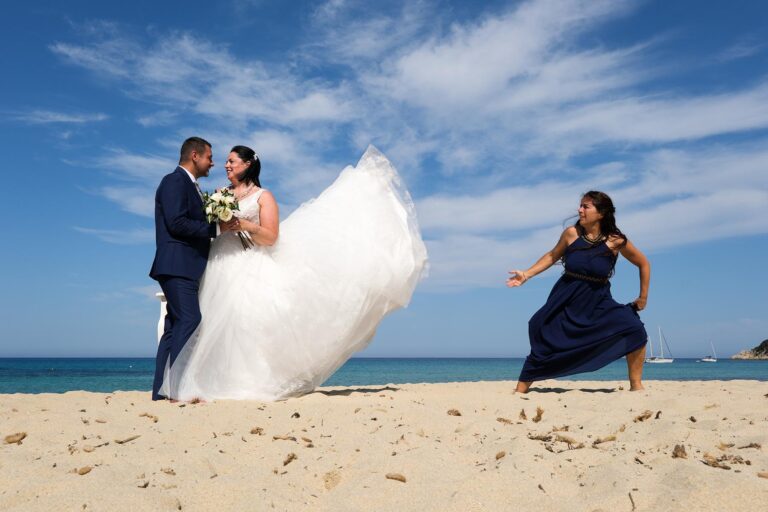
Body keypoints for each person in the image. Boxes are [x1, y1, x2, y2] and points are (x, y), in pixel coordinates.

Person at [160, 145, 427, 401]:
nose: (226, 165)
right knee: (209, 322)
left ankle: (244, 381)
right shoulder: (221, 193)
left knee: (244, 320)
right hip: (217, 262)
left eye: (232, 161)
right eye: (226, 161)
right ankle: (196, 382)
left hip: (245, 263)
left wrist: (244, 225)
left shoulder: (264, 197)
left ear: (248, 164)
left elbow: (271, 236)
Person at [506, 191, 649, 392]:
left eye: (586, 206)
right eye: (580, 205)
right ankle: (521, 389)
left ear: (601, 213)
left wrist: (643, 297)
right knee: (542, 330)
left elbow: (643, 264)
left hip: (598, 300)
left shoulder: (616, 240)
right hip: (567, 295)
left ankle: (636, 386)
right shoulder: (571, 234)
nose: (580, 210)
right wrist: (527, 274)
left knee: (634, 329)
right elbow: (552, 256)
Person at [149, 137, 236, 401]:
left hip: (181, 265)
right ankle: (176, 389)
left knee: (174, 325)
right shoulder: (174, 181)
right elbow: (176, 223)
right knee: (190, 319)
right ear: (195, 155)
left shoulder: (191, 185)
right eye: (209, 157)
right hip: (177, 264)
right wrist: (217, 228)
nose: (213, 163)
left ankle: (162, 391)